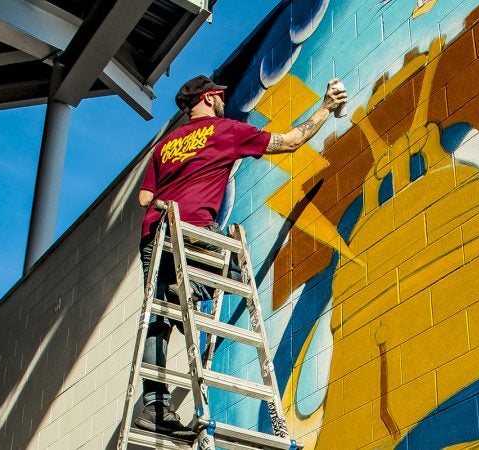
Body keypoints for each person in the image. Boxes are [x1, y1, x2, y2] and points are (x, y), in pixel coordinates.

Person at [134, 74, 347, 436]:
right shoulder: (224, 131)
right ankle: (183, 292)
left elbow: (143, 199)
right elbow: (291, 141)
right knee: (233, 273)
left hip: (155, 235)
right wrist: (326, 107)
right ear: (209, 98)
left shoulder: (164, 146)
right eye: (220, 96)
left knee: (159, 318)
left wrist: (167, 205)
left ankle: (153, 407)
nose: (223, 102)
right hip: (193, 233)